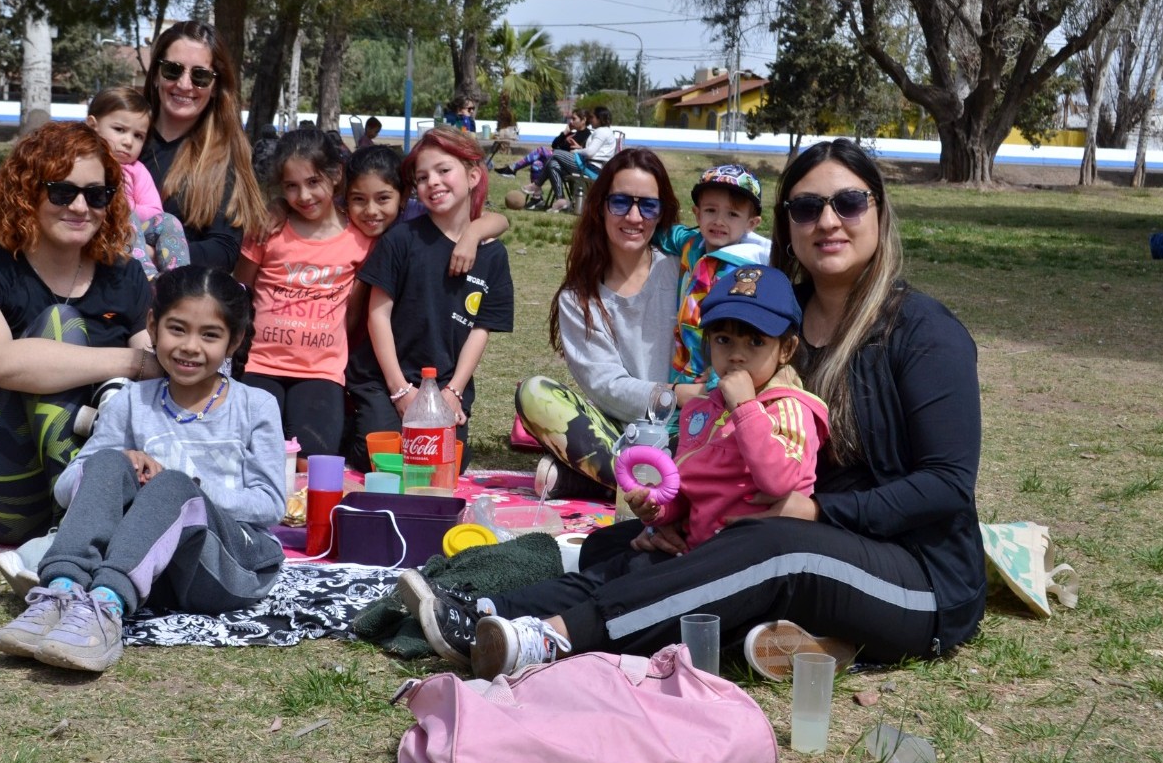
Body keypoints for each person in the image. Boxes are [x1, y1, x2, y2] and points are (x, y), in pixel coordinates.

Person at [402, 138, 985, 683]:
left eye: (848, 203)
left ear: (879, 212)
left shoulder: (923, 333)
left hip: (917, 577)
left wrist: (817, 513)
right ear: (787, 224)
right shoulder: (770, 321)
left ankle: (549, 639)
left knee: (773, 549)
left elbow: (946, 486)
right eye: (806, 208)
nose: (827, 221)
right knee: (632, 544)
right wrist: (687, 515)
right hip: (789, 535)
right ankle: (486, 613)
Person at [0, 265, 285, 673]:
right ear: (153, 326)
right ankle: (61, 591)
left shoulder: (256, 405)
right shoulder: (132, 399)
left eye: (210, 335)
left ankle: (105, 610)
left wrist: (184, 484)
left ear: (234, 341)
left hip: (227, 570)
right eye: (177, 329)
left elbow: (270, 504)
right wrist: (125, 460)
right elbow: (67, 490)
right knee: (107, 460)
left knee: (174, 486)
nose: (190, 347)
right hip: (149, 571)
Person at [0, 122, 159, 545]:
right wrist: (132, 361)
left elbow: (158, 376)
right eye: (62, 192)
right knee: (62, 323)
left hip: (103, 469)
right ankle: (78, 524)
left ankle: (95, 516)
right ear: (27, 192)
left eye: (97, 195)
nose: (80, 207)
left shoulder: (125, 276)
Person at [513, 148, 682, 499]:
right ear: (600, 206)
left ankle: (605, 482)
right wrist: (671, 395)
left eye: (648, 206)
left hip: (688, 429)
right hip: (617, 433)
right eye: (621, 202)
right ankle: (654, 487)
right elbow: (607, 386)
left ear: (662, 213)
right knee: (534, 394)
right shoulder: (578, 298)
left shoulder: (683, 273)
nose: (634, 216)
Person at [342, 144, 511, 468]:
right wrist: (400, 391)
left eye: (443, 171)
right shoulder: (401, 238)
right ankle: (345, 425)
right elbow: (378, 314)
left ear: (473, 175)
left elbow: (481, 328)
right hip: (384, 377)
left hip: (443, 382)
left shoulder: (493, 255)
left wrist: (454, 391)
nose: (433, 181)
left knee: (442, 464)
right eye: (422, 177)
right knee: (379, 458)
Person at [636, 265, 827, 549]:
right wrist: (659, 509)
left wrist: (746, 408)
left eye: (756, 342)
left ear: (786, 349)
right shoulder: (699, 410)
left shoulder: (789, 408)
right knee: (603, 552)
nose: (737, 355)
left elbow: (779, 483)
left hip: (757, 554)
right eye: (723, 340)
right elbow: (691, 490)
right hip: (699, 549)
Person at [235, 129, 372, 458]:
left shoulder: (360, 238)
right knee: (250, 451)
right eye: (291, 186)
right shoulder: (268, 228)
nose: (304, 195)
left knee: (313, 457)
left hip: (320, 371)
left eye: (313, 182)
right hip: (261, 364)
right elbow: (239, 288)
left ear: (335, 174)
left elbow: (352, 314)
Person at [138, 21, 268, 269]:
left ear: (216, 86)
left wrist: (147, 254)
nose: (185, 85)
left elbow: (224, 249)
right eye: (173, 70)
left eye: (200, 75)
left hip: (177, 299)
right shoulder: (120, 141)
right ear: (156, 74)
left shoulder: (226, 157)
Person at [661, 164, 772, 403]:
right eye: (711, 210)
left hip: (715, 380)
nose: (719, 221)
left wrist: (717, 382)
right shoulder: (692, 243)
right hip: (681, 368)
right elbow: (665, 233)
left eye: (732, 214)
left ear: (751, 224)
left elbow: (741, 330)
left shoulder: (746, 272)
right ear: (697, 213)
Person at [86, 87, 188, 280]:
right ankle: (147, 277)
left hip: (134, 230)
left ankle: (178, 278)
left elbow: (155, 210)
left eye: (138, 136)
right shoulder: (85, 163)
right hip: (97, 226)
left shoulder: (136, 169)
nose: (128, 142)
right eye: (119, 130)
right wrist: (121, 209)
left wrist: (128, 208)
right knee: (125, 214)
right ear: (93, 126)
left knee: (169, 221)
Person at [541, 106, 617, 212]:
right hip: (591, 165)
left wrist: (576, 151)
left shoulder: (601, 132)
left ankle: (536, 185)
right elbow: (594, 151)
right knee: (553, 164)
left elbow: (590, 152)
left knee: (556, 153)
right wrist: (581, 149)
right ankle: (560, 200)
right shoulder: (605, 132)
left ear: (599, 118)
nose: (591, 119)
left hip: (591, 167)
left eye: (593, 117)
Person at [499, 109, 589, 192]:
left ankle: (513, 168)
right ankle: (537, 199)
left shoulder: (586, 134)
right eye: (570, 119)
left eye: (574, 119)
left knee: (541, 150)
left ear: (583, 120)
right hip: (556, 160)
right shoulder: (572, 133)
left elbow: (571, 150)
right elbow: (554, 144)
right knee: (536, 164)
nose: (571, 121)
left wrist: (564, 144)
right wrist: (565, 133)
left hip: (567, 165)